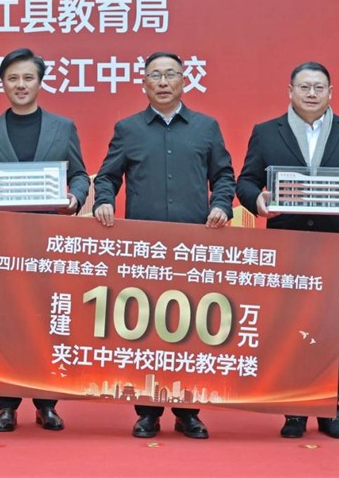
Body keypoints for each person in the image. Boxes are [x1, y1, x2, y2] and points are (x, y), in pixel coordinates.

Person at [235, 61, 339, 440]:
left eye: (319, 87)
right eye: (304, 87)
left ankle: (329, 410)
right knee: (291, 333)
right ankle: (294, 412)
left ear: (330, 92)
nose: (312, 93)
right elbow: (246, 181)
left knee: (331, 336)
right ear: (290, 91)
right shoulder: (266, 132)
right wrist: (259, 202)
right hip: (289, 247)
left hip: (335, 248)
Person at [92, 51, 236, 439]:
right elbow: (106, 177)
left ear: (184, 81)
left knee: (192, 328)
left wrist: (222, 205)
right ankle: (148, 412)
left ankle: (188, 411)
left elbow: (224, 176)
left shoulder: (206, 127)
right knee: (147, 328)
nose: (163, 82)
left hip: (195, 246)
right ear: (144, 83)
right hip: (146, 249)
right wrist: (104, 200)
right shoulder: (128, 129)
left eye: (170, 74)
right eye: (155, 75)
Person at [0, 48, 90, 433]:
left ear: (39, 82)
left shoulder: (62, 127)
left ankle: (47, 403)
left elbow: (79, 174)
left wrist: (75, 197)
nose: (20, 85)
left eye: (28, 78)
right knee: (6, 322)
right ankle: (6, 404)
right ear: (3, 83)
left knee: (47, 319)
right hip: (4, 240)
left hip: (49, 239)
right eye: (13, 78)